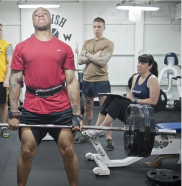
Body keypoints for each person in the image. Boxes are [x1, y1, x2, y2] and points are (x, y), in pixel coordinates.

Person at [8, 7, 83, 186]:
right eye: (36, 13)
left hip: (60, 107)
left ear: (50, 19)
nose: (40, 14)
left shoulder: (64, 48)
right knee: (26, 151)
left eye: (44, 13)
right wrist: (13, 113)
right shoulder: (22, 47)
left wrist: (76, 114)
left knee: (69, 151)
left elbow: (71, 81)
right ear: (32, 21)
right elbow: (15, 80)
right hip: (32, 107)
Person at [82, 54, 160, 138]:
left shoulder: (152, 79)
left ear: (150, 66)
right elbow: (131, 97)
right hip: (134, 110)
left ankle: (101, 129)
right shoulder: (135, 77)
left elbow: (153, 101)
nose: (139, 65)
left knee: (118, 102)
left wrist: (136, 100)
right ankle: (97, 128)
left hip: (143, 115)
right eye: (139, 62)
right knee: (110, 99)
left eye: (143, 63)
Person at [75, 17, 115, 151]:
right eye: (94, 27)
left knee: (106, 110)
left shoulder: (108, 43)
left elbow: (103, 62)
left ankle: (109, 138)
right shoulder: (87, 42)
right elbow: (79, 61)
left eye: (99, 27)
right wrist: (94, 56)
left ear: (104, 27)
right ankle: (86, 133)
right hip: (87, 79)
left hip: (101, 80)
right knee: (87, 109)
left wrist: (87, 54)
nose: (96, 29)